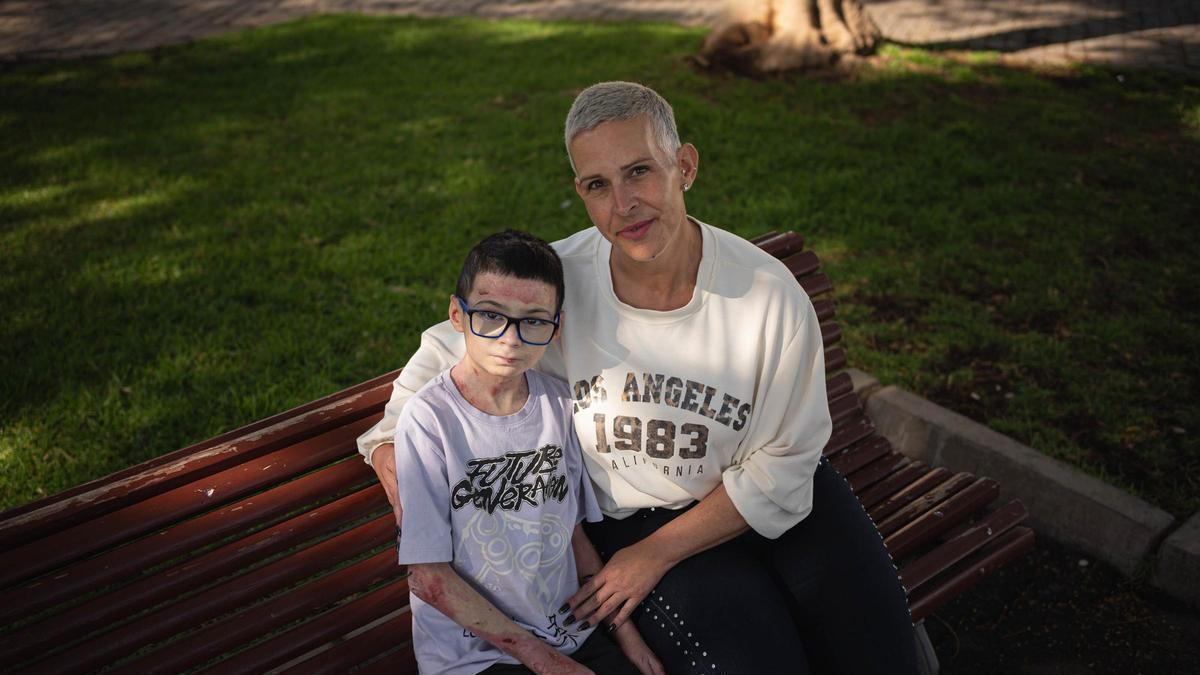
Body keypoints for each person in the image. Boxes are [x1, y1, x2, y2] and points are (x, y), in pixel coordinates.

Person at [363, 81, 919, 674]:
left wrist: (654, 556)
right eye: (598, 185)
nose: (623, 205)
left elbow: (787, 460)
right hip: (636, 519)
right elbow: (444, 350)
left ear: (685, 166)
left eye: (639, 172)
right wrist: (388, 446)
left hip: (767, 501)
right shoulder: (558, 287)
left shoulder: (765, 294)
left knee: (882, 653)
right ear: (580, 192)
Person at [395, 230, 663, 674]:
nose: (510, 339)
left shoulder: (558, 405)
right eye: (491, 315)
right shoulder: (430, 421)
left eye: (533, 320)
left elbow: (571, 535)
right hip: (476, 657)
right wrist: (545, 662)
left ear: (555, 329)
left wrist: (627, 639)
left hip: (568, 634)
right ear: (457, 315)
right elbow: (428, 577)